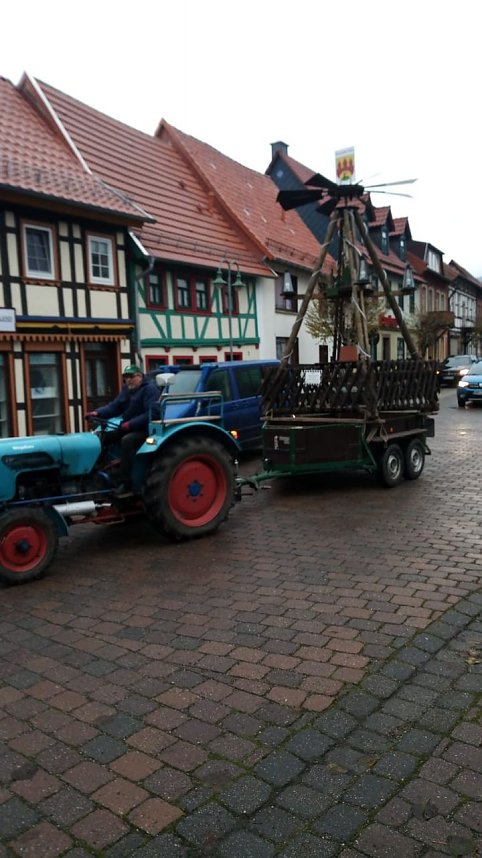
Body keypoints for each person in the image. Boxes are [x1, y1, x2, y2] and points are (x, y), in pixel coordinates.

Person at [86, 365, 159, 495]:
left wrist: (131, 424)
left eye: (131, 376)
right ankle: (98, 473)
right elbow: (115, 407)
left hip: (149, 433)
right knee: (103, 437)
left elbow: (152, 413)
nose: (128, 380)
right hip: (129, 427)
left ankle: (126, 483)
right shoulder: (127, 390)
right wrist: (97, 413)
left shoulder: (150, 390)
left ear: (140, 376)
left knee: (127, 441)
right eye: (126, 377)